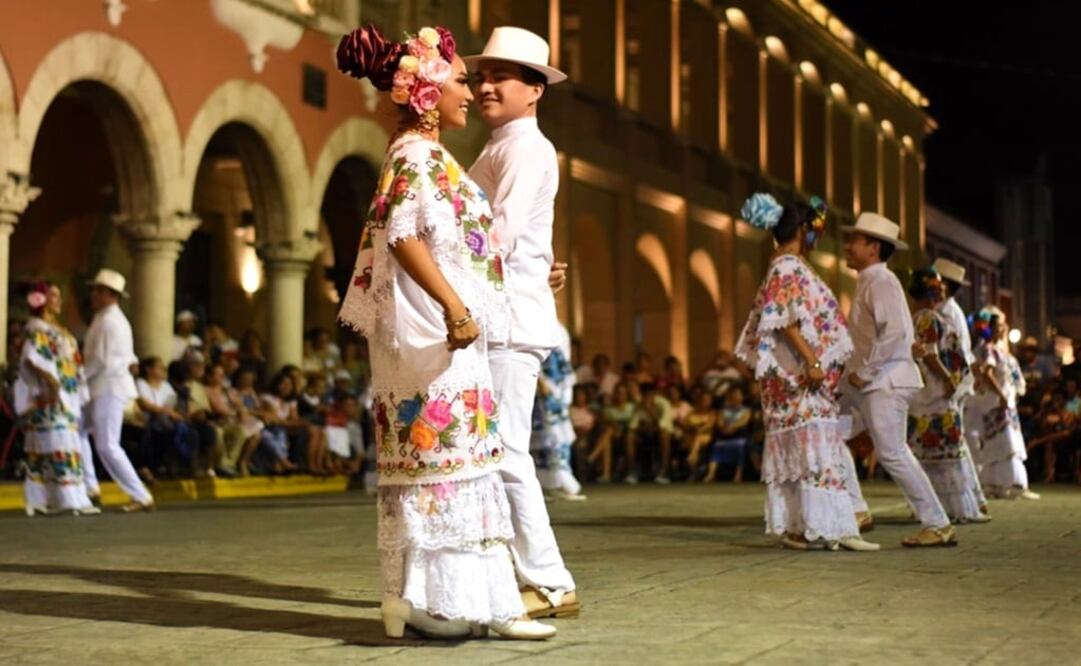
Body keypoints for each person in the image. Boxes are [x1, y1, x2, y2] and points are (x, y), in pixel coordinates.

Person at [336, 23, 553, 639]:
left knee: (451, 465)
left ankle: (430, 601)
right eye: (462, 79)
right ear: (429, 94)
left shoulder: (425, 157)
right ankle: (453, 603)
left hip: (442, 337)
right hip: (438, 337)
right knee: (450, 464)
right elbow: (403, 237)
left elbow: (453, 240)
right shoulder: (416, 157)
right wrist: (458, 307)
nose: (470, 90)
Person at [465, 26, 578, 620]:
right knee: (496, 450)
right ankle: (521, 573)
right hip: (506, 312)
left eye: (500, 76)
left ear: (535, 89)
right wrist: (540, 267)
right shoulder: (503, 146)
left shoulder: (524, 147)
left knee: (506, 450)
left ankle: (550, 580)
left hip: (507, 321)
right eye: (481, 74)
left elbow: (497, 235)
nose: (485, 84)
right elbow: (521, 239)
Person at [735, 193, 877, 552]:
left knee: (811, 450)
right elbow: (784, 320)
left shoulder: (787, 264)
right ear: (802, 229)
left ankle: (809, 527)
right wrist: (813, 359)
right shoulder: (785, 266)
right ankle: (824, 527)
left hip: (797, 376)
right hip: (797, 377)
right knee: (815, 449)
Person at [840, 212, 955, 547]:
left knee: (892, 453)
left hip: (884, 382)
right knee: (829, 433)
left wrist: (864, 372)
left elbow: (895, 335)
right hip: (872, 383)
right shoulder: (871, 281)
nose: (848, 246)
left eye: (855, 241)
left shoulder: (881, 282)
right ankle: (857, 508)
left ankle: (937, 522)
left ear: (873, 248)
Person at [906, 268, 989, 523]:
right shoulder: (927, 318)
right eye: (935, 290)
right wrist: (947, 377)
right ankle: (953, 507)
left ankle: (944, 507)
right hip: (935, 392)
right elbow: (928, 354)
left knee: (942, 452)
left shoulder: (925, 317)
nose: (939, 294)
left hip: (934, 393)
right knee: (944, 453)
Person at [15, 282, 99, 516]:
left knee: (61, 443)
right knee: (54, 443)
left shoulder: (57, 328)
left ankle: (54, 498)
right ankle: (61, 499)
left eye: (59, 295)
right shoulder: (37, 327)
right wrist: (51, 381)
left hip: (65, 394)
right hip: (50, 395)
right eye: (53, 295)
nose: (58, 300)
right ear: (40, 299)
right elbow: (32, 356)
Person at [83, 269, 155, 513]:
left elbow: (101, 360)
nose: (92, 294)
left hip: (108, 387)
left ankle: (141, 494)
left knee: (107, 445)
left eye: (97, 290)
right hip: (102, 387)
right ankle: (89, 486)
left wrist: (78, 378)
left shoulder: (110, 321)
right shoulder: (106, 318)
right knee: (79, 430)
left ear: (109, 294)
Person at [932, 258, 989, 514]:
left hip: (951, 381)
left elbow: (951, 352)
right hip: (957, 380)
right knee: (956, 439)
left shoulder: (947, 313)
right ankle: (972, 498)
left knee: (953, 441)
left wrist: (947, 381)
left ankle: (964, 500)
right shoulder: (950, 310)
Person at [970, 307, 1039, 500]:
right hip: (996, 401)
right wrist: (1000, 394)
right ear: (990, 328)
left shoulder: (999, 350)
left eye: (1002, 326)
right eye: (998, 326)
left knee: (1003, 443)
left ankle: (999, 484)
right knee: (1006, 443)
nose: (1002, 329)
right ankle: (1011, 484)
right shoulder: (989, 350)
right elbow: (987, 373)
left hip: (1003, 400)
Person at [531, 324, 585, 500]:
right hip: (543, 389)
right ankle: (547, 483)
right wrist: (540, 379)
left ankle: (559, 480)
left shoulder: (560, 328)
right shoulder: (537, 324)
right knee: (547, 437)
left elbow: (564, 361)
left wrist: (565, 392)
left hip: (559, 389)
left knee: (560, 436)